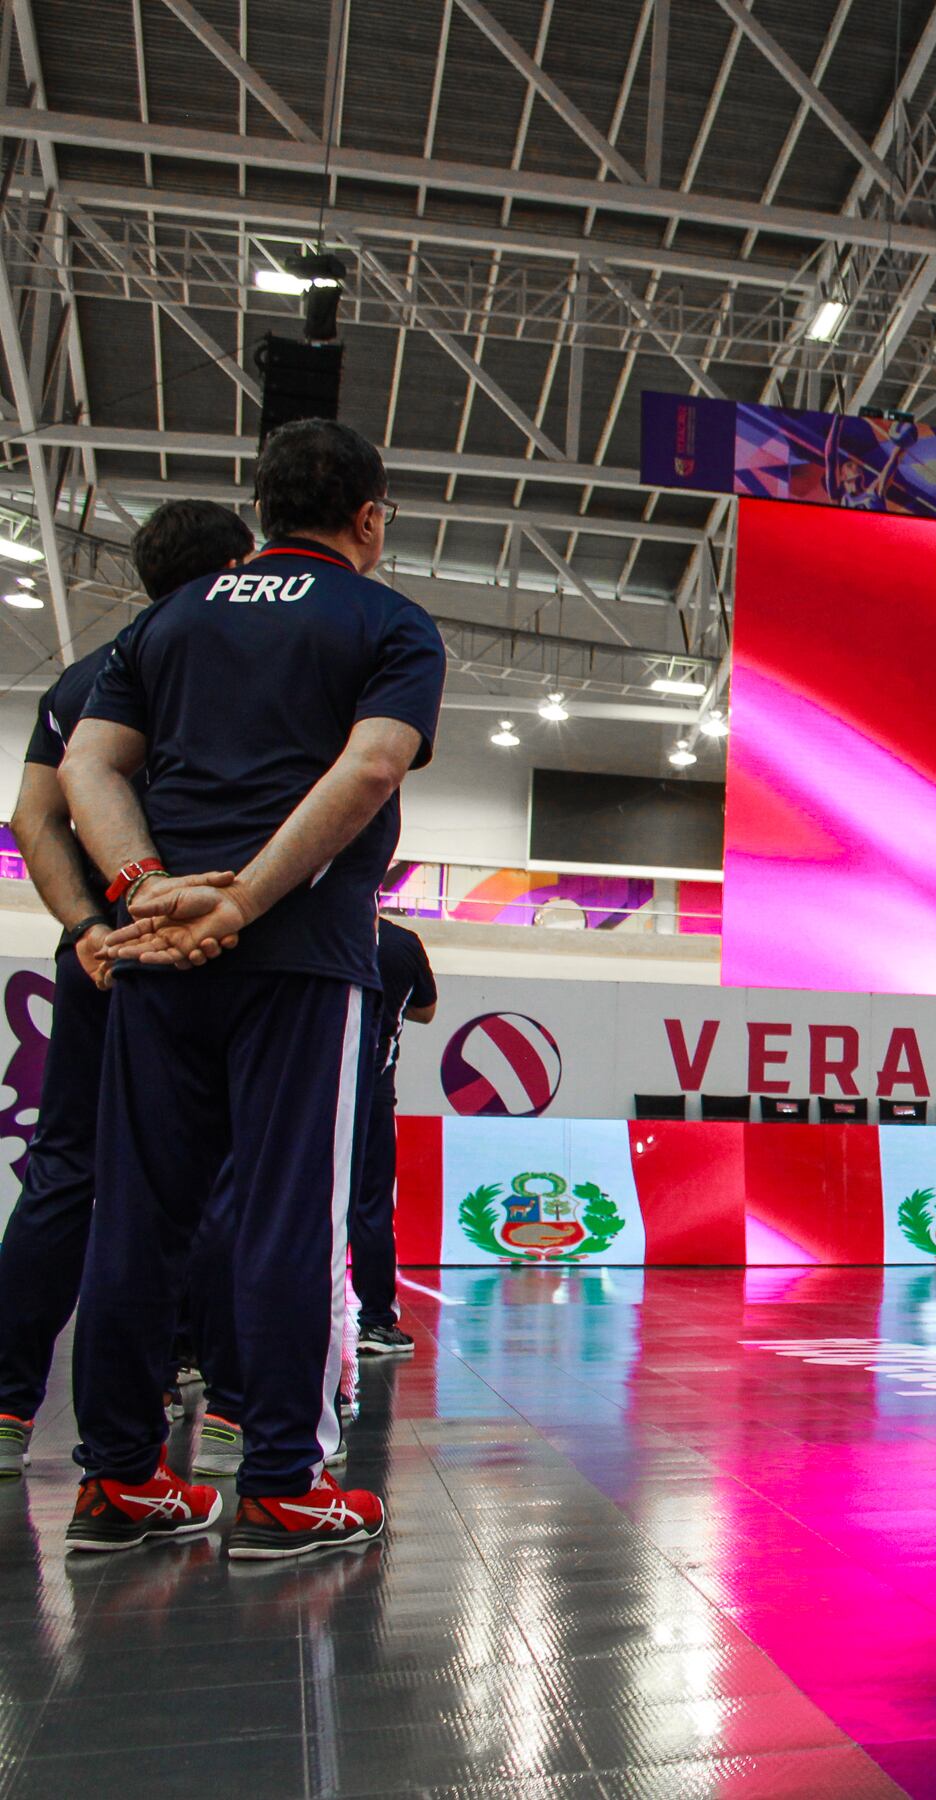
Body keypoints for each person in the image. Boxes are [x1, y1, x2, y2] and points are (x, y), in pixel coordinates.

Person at [60, 418, 444, 1558]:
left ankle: (119, 1478)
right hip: (300, 960)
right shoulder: (388, 621)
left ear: (263, 505)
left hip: (162, 962)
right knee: (289, 1216)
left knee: (136, 1211)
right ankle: (282, 1479)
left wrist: (150, 889)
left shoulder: (168, 619)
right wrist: (244, 901)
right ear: (369, 516)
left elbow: (87, 764)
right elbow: (370, 768)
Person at [0, 501, 253, 1482]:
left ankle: (14, 1405)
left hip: (105, 946)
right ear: (236, 567)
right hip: (210, 947)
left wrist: (88, 930)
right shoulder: (238, 666)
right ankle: (232, 1413)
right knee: (228, 1174)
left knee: (68, 1172)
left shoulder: (83, 678)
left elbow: (34, 817)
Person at [353, 917, 437, 1355]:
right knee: (370, 1210)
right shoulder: (401, 943)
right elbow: (425, 1009)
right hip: (372, 1092)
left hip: (307, 1089)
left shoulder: (318, 924)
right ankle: (376, 1323)